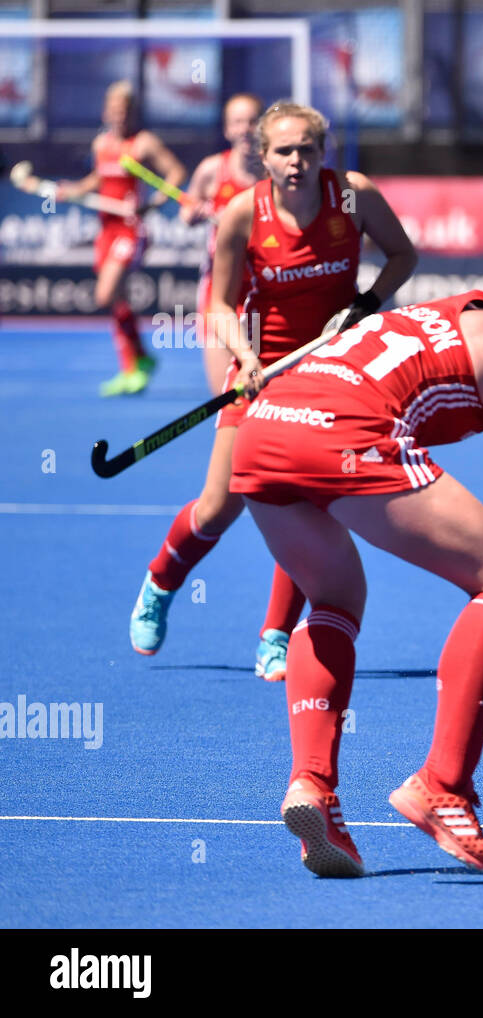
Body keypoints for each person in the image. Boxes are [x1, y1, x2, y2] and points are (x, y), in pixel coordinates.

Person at [227, 222, 483, 877]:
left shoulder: (459, 308)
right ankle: (444, 786)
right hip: (343, 434)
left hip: (264, 428)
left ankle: (313, 786)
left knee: (335, 596)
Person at [128, 100, 417, 686]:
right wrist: (248, 356)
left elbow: (403, 255)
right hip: (262, 367)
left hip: (331, 372)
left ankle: (275, 637)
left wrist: (364, 305)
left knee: (306, 503)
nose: (296, 161)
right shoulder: (242, 213)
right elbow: (219, 304)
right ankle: (161, 582)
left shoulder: (352, 195)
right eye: (283, 151)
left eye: (307, 149)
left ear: (322, 152)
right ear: (263, 157)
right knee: (219, 504)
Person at [57, 80, 186, 397]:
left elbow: (176, 173)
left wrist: (153, 203)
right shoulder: (101, 144)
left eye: (125, 110)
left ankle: (139, 360)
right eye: (114, 110)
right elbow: (98, 179)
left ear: (133, 113)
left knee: (106, 294)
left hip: (130, 229)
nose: (119, 116)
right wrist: (71, 190)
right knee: (116, 300)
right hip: (106, 228)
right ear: (106, 112)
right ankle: (134, 365)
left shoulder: (143, 143)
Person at [182, 93, 266, 395]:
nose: (245, 128)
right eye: (237, 122)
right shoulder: (212, 169)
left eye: (252, 121)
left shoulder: (276, 171)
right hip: (220, 291)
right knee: (227, 398)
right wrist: (196, 213)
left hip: (265, 289)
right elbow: (187, 212)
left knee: (262, 394)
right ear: (228, 129)